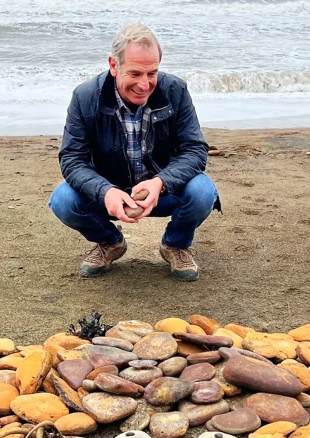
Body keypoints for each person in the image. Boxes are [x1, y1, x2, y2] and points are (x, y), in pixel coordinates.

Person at [49, 23, 220, 282]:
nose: (144, 84)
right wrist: (104, 191)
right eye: (135, 73)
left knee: (203, 191)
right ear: (114, 65)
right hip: (110, 194)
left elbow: (195, 150)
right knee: (63, 199)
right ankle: (110, 242)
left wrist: (161, 182)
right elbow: (72, 160)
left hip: (163, 191)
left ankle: (175, 244)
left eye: (152, 73)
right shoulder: (85, 98)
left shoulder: (176, 91)